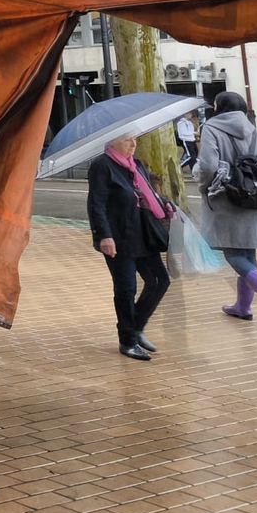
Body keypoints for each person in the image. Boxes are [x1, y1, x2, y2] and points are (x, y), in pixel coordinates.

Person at [198, 91, 257, 326]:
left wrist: (205, 183)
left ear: (220, 107)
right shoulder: (254, 130)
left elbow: (207, 166)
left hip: (227, 201)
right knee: (248, 253)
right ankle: (242, 307)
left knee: (234, 254)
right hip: (255, 202)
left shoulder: (211, 128)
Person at [86, 133, 174, 360]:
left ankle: (136, 327)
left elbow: (148, 194)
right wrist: (104, 235)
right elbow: (96, 204)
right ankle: (127, 340)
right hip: (118, 237)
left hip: (143, 233)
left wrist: (164, 203)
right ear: (112, 141)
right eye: (127, 140)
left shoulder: (136, 164)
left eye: (134, 139)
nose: (133, 144)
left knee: (159, 281)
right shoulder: (102, 166)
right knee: (126, 289)